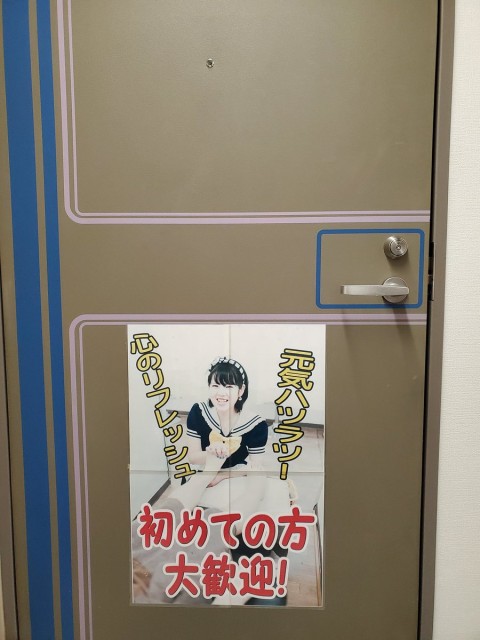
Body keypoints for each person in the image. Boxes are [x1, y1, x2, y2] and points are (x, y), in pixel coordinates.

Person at [186, 357, 268, 484]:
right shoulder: (199, 412)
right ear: (209, 387)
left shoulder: (256, 424)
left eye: (229, 386)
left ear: (241, 390)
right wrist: (213, 455)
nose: (221, 393)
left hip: (236, 473)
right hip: (205, 469)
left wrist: (221, 476)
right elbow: (193, 457)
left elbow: (255, 466)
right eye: (215, 385)